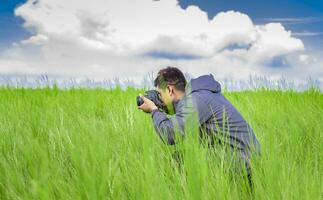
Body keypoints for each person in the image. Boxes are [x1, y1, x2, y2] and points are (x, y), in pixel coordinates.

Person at [138, 66, 261, 192]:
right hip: (239, 156)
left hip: (242, 160)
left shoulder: (196, 100)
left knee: (178, 160)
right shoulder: (199, 96)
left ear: (169, 90)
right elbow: (182, 114)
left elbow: (170, 134)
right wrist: (161, 108)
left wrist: (154, 110)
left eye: (160, 94)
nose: (159, 98)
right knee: (181, 157)